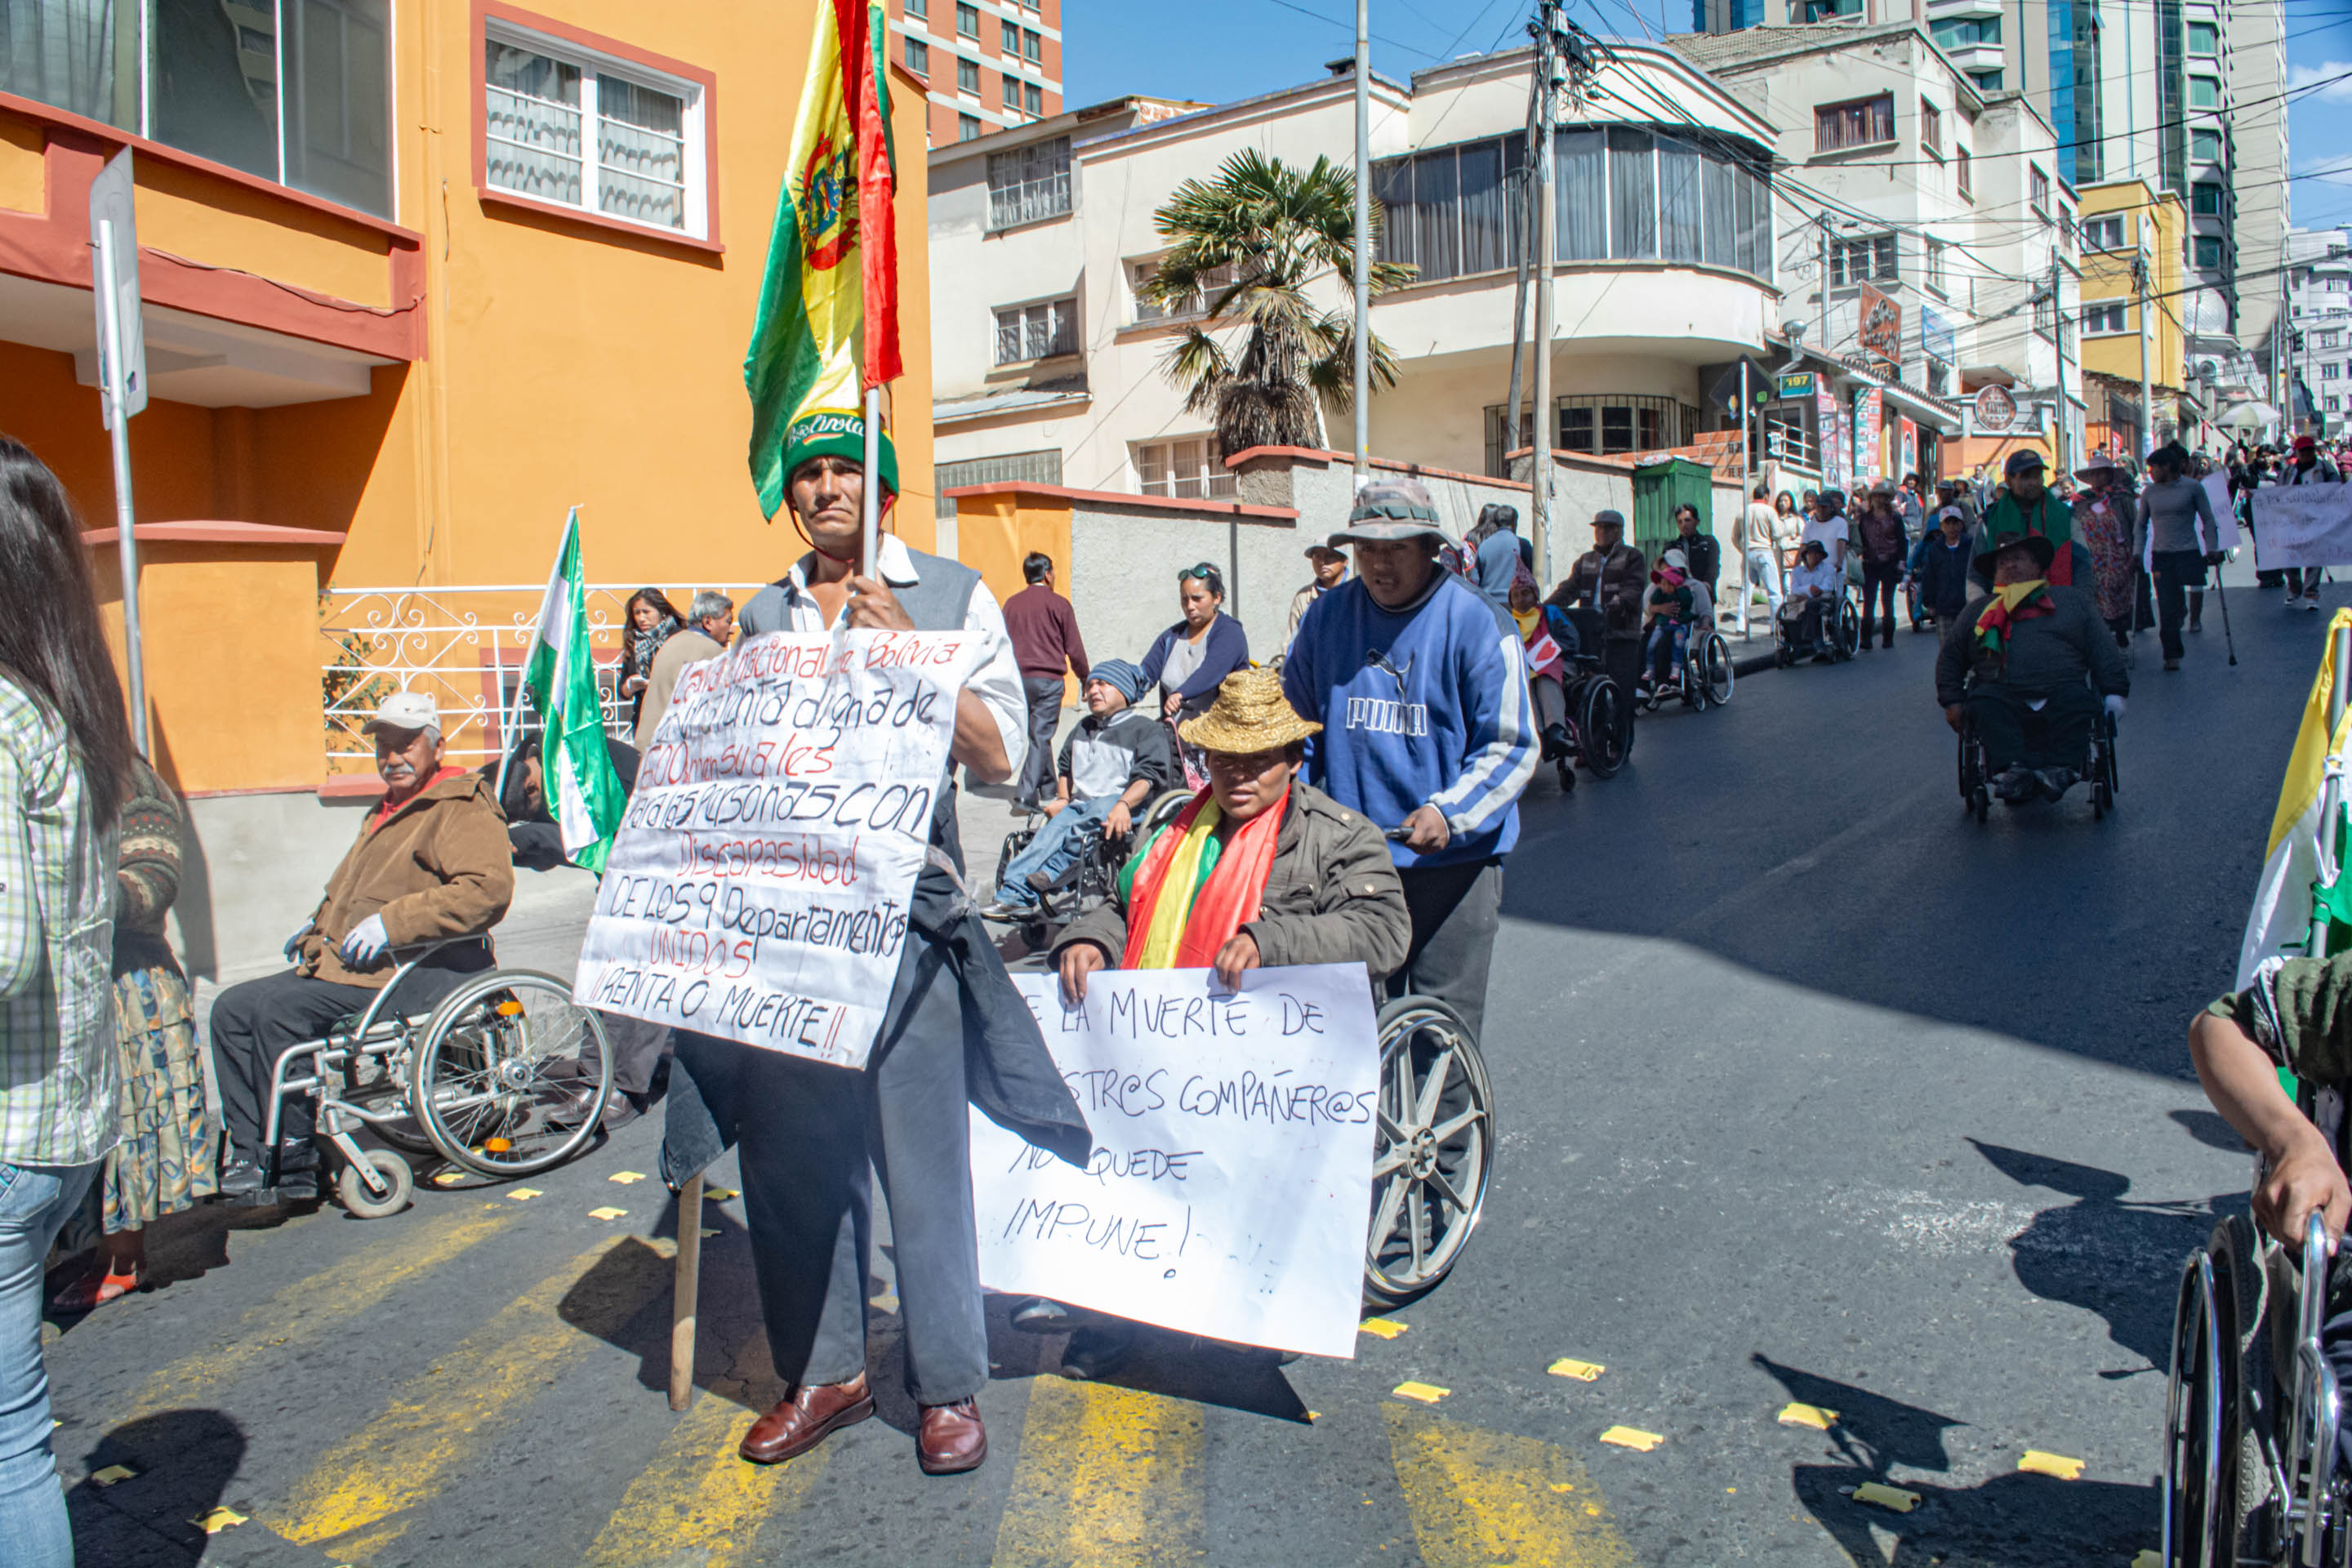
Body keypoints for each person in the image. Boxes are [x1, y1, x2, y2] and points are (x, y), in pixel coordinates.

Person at [665, 409, 1087, 1479]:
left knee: (923, 1164)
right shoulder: (756, 617)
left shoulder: (951, 594)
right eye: (805, 474)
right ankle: (829, 1373)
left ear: (883, 489)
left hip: (906, 928)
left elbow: (1001, 758)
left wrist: (904, 650)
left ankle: (946, 1384)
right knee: (794, 1162)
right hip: (785, 939)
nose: (823, 488)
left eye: (844, 467)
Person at [1043, 670, 1411, 1376]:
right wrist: (1087, 939)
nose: (1238, 776)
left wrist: (1275, 942)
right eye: (1223, 760)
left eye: (1257, 761)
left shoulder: (1339, 837)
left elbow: (1384, 933)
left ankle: (1261, 1296)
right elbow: (1119, 906)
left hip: (1278, 1064)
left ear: (1293, 761)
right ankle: (1116, 1306)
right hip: (1164, 1048)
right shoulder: (1174, 829)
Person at [209, 691, 512, 1203]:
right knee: (232, 1009)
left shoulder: (459, 804)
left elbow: (488, 892)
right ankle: (250, 1149)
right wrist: (315, 929)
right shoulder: (387, 810)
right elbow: (347, 891)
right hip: (358, 969)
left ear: (436, 747)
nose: (392, 756)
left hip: (421, 971)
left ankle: (295, 1157)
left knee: (280, 1013)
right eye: (384, 746)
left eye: (406, 744)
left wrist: (391, 924)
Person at [0, 436, 134, 1566]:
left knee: (5, 1447)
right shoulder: (65, 710)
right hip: (53, 1129)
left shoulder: (1, 715)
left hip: (6, 1132)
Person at [1283, 478, 1535, 1041]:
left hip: (1451, 868)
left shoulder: (1477, 623)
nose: (1379, 564)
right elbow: (1293, 729)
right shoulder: (1326, 620)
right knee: (1346, 1032)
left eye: (1396, 548)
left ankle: (1445, 1132)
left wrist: (1449, 814)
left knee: (1438, 1037)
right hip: (1350, 862)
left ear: (1429, 548)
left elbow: (1512, 747)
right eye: (1367, 549)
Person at [50, 757, 216, 1313]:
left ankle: (120, 1258)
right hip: (59, 978)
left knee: (126, 1131)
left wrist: (64, 897)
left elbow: (155, 876)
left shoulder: (126, 776)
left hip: (128, 977)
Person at [1936, 532, 2128, 803]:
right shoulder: (1978, 610)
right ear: (1995, 574)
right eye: (2003, 562)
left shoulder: (2071, 601)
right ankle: (2014, 771)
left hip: (2062, 690)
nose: (2011, 565)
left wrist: (2114, 693)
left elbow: (2103, 649)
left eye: (2018, 558)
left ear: (2038, 566)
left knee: (2081, 702)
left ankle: (2061, 770)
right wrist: (1952, 700)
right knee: (1982, 703)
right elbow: (1951, 658)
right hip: (2000, 693)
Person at [985, 660, 1174, 918]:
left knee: (1091, 815)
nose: (1094, 691)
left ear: (1125, 690)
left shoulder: (1145, 729)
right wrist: (1063, 797)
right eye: (1091, 685)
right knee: (1047, 834)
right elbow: (1065, 767)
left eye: (1104, 684)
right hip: (1082, 805)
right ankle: (1012, 894)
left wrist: (1123, 805)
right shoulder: (1083, 727)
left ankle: (1052, 872)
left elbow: (1148, 777)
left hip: (1125, 804)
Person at [1140, 564, 1250, 787]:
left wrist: (1181, 694)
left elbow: (1213, 669)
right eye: (1184, 599)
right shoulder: (1171, 637)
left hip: (1218, 746)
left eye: (1197, 599)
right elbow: (1145, 674)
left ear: (1217, 598)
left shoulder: (1229, 632)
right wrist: (1114, 687)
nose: (1190, 606)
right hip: (1179, 747)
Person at [1548, 509, 1648, 748]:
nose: (1602, 532)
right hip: (1591, 632)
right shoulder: (1586, 561)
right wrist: (1545, 607)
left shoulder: (1632, 557)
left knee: (1622, 690)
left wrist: (1619, 602)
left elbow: (1634, 588)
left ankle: (1623, 743)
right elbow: (1569, 589)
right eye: (1599, 527)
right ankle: (1595, 744)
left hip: (1621, 634)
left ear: (1619, 531)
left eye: (1607, 528)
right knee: (1589, 689)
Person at [1002, 553, 1091, 809]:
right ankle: (1025, 795)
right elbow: (1074, 647)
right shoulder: (1059, 604)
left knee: (1038, 734)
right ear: (1047, 574)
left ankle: (1048, 786)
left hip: (1018, 681)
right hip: (1048, 681)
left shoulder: (1011, 604)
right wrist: (1085, 677)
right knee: (1040, 735)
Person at [2137, 443, 2224, 670]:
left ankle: (2186, 614)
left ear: (2167, 467)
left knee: (2179, 604)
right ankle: (2171, 654)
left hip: (2187, 551)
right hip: (2162, 555)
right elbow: (2140, 525)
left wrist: (2213, 547)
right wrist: (2138, 553)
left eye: (2154, 467)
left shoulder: (2192, 487)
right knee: (2166, 606)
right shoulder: (2150, 492)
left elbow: (2208, 519)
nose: (2151, 472)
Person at [633, 590, 734, 752]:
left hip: (648, 746)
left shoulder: (673, 641)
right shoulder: (712, 651)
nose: (731, 630)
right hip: (672, 752)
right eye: (728, 622)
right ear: (708, 622)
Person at [1976, 450, 2078, 587]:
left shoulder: (2066, 516)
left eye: (2037, 476)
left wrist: (2078, 600)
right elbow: (1974, 576)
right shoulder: (1989, 520)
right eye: (2025, 477)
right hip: (2004, 605)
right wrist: (1983, 604)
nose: (2033, 482)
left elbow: (2082, 565)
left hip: (2058, 602)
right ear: (2009, 480)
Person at [2071, 454, 2140, 648]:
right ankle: (2102, 635)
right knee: (2096, 597)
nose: (2097, 477)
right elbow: (2075, 526)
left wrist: (2137, 552)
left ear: (2110, 474)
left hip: (2119, 555)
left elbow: (2135, 525)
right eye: (2093, 474)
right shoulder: (2082, 500)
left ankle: (2120, 632)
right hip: (2092, 557)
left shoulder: (2123, 497)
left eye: (2101, 473)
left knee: (2118, 594)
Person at [2277, 435, 2345, 612]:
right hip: (2292, 520)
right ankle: (2295, 587)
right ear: (2297, 452)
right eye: (2303, 450)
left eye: (2309, 450)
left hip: (2317, 520)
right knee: (2288, 557)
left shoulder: (2324, 468)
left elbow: (2336, 486)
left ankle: (2311, 593)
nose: (2306, 453)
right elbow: (2277, 492)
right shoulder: (2289, 471)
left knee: (2315, 557)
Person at [1508, 573, 1571, 761]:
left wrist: (1549, 650)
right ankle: (1537, 733)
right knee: (1523, 681)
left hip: (1557, 664)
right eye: (1516, 595)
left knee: (1544, 677)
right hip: (1524, 669)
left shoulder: (1551, 613)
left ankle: (1555, 730)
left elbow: (1570, 638)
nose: (1521, 599)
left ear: (1535, 594)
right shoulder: (1508, 621)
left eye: (1525, 593)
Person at [1854, 479, 1911, 651]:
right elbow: (1861, 540)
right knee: (1869, 602)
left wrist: (1901, 566)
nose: (1880, 500)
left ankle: (1888, 638)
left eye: (1883, 497)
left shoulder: (1895, 518)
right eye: (1877, 496)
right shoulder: (1865, 518)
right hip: (1870, 563)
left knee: (1888, 601)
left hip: (1890, 563)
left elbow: (1903, 543)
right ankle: (1866, 639)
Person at [618, 588, 685, 730]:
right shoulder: (634, 644)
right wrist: (630, 686)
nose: (641, 618)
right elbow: (622, 691)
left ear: (662, 612)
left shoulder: (679, 638)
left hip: (675, 717)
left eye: (646, 612)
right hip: (644, 720)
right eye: (637, 613)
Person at [1640, 549, 1697, 699]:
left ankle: (1662, 683)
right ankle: (1642, 687)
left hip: (1682, 628)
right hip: (1658, 625)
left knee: (1664, 643)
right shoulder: (1656, 586)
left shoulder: (1693, 586)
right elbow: (1645, 606)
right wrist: (1658, 608)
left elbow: (1704, 611)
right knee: (1642, 642)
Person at [1733, 484, 1785, 639]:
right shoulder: (1769, 511)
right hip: (1764, 551)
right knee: (1775, 592)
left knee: (1745, 590)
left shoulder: (1742, 511)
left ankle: (1740, 625)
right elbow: (1777, 533)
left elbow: (1735, 537)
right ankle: (1776, 626)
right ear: (1766, 496)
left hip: (1748, 553)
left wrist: (1743, 549)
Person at [1913, 506, 1976, 631]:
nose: (1952, 527)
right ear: (1941, 526)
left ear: (1961, 524)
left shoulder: (1971, 545)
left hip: (1967, 606)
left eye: (1955, 522)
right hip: (1943, 608)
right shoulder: (1935, 549)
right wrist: (1929, 603)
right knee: (1946, 648)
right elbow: (1929, 576)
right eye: (1948, 523)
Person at [1783, 539, 1840, 661]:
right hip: (1799, 601)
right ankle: (1792, 642)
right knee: (1787, 613)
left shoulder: (1828, 569)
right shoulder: (1797, 572)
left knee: (1811, 605)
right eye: (1812, 553)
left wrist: (1807, 593)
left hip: (1821, 601)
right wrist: (1809, 589)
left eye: (1818, 553)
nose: (1815, 556)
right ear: (1806, 556)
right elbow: (1794, 589)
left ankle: (1814, 641)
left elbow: (1826, 587)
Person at [1287, 543, 1348, 646]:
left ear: (1344, 561)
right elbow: (1291, 642)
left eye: (1330, 556)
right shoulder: (1304, 597)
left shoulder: (1358, 594)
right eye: (1317, 556)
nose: (1322, 562)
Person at [1669, 501, 1720, 621]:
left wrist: (1707, 585)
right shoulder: (1672, 546)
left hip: (1703, 595)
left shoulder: (1708, 543)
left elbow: (1713, 568)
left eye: (1687, 520)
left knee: (1703, 631)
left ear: (1696, 521)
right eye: (1680, 521)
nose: (1684, 525)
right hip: (1679, 597)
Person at [1800, 488, 1849, 572]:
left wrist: (1840, 563)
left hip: (1834, 569)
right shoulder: (1809, 526)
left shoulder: (1841, 523)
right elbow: (1804, 547)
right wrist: (1798, 566)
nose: (1821, 510)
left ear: (1831, 508)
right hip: (1814, 569)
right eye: (1819, 507)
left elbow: (1841, 544)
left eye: (1824, 507)